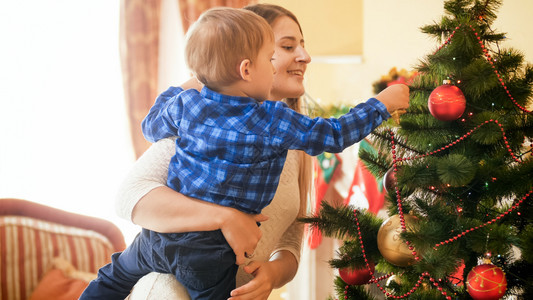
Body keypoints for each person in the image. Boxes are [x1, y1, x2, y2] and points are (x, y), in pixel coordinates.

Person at [113, 4, 410, 300]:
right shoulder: (200, 120)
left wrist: (271, 274)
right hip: (166, 290)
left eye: (303, 46)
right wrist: (225, 218)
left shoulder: (289, 134)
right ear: (244, 64)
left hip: (228, 284)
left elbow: (291, 243)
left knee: (109, 279)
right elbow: (129, 198)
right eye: (285, 46)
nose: (305, 57)